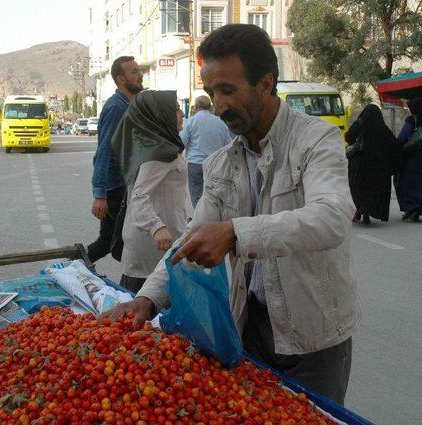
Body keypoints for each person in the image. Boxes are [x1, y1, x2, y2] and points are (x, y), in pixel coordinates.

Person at [101, 24, 358, 405]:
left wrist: (236, 233)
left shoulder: (316, 141)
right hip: (246, 326)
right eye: (211, 93)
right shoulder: (222, 162)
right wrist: (148, 299)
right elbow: (191, 237)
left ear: (266, 84)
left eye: (228, 90)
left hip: (312, 337)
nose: (218, 105)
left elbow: (331, 217)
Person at [112, 90, 187, 293]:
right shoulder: (160, 153)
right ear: (159, 115)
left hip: (148, 241)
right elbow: (138, 196)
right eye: (176, 109)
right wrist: (157, 227)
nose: (181, 114)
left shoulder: (148, 146)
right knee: (146, 309)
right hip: (156, 244)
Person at [88, 56, 144, 263]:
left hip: (125, 184)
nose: (140, 75)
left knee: (119, 241)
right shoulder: (117, 108)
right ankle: (69, 269)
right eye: (134, 72)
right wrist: (100, 194)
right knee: (109, 242)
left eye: (139, 70)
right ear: (121, 79)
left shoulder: (130, 104)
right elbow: (104, 151)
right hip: (115, 187)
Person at [345, 104, 402, 224]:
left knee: (358, 189)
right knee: (373, 191)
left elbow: (349, 138)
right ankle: (367, 213)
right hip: (378, 168)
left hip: (359, 165)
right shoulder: (384, 130)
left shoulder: (360, 125)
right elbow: (395, 146)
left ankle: (359, 211)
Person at [180, 95, 233, 207]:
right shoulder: (221, 122)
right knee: (214, 194)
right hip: (215, 164)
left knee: (197, 193)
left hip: (195, 164)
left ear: (196, 107)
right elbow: (229, 144)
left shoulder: (190, 122)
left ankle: (199, 220)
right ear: (210, 107)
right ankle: (212, 219)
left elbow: (182, 143)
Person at [394, 97, 422, 222]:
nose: (410, 111)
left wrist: (396, 148)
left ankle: (411, 208)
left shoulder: (412, 120)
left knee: (405, 180)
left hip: (412, 156)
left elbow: (402, 137)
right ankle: (420, 210)